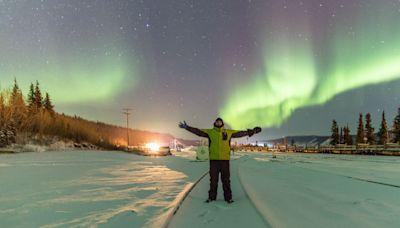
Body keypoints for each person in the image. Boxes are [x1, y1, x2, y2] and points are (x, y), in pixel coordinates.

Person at [179, 118, 261, 203]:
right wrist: (187, 127)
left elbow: (241, 133)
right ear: (215, 123)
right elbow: (198, 131)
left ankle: (228, 198)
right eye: (217, 121)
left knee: (226, 180)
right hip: (214, 161)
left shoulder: (228, 132)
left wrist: (253, 131)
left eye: (220, 121)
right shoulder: (210, 132)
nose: (218, 122)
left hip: (225, 160)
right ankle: (212, 197)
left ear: (222, 123)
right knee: (213, 180)